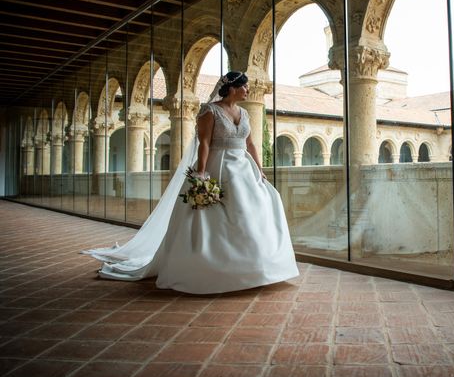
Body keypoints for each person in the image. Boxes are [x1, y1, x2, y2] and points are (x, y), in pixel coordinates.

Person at [84, 71, 299, 294]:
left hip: (244, 168)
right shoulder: (210, 111)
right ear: (233, 88)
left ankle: (259, 265)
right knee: (214, 216)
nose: (248, 91)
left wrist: (260, 170)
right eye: (245, 87)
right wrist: (201, 173)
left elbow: (251, 143)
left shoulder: (244, 112)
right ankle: (213, 267)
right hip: (220, 165)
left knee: (261, 205)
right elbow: (204, 144)